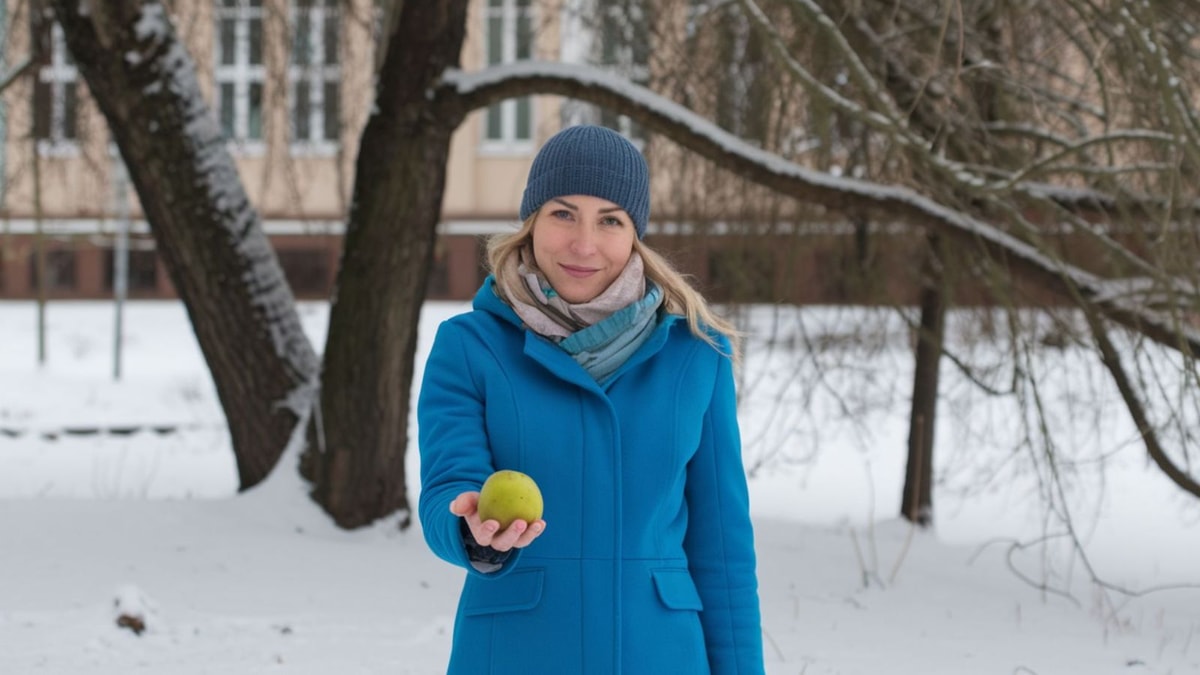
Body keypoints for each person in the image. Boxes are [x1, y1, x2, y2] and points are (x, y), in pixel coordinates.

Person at [417, 124, 764, 674]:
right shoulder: (471, 347)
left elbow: (722, 549)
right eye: (562, 213)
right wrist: (474, 533)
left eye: (610, 220)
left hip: (661, 655)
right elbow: (446, 485)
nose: (584, 244)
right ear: (532, 221)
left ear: (635, 235)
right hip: (516, 654)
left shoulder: (696, 356)